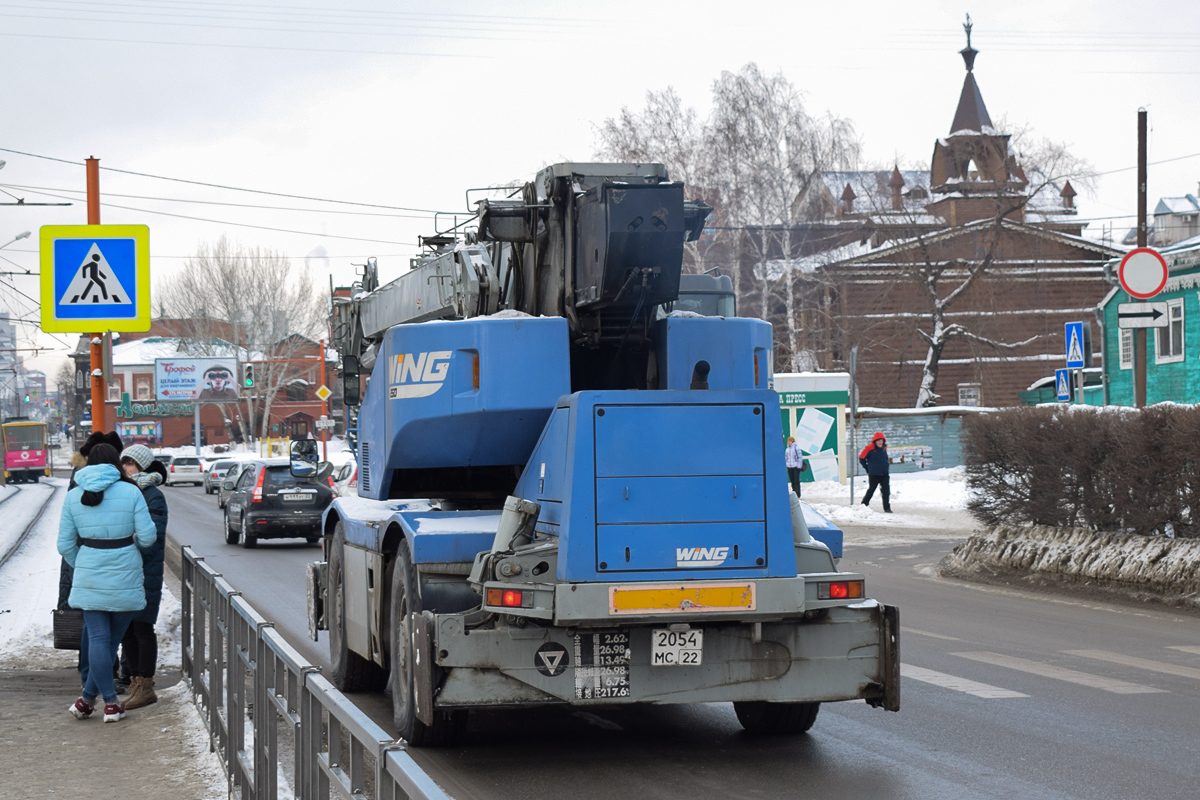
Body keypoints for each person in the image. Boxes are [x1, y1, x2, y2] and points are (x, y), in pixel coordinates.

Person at [58, 443, 156, 723]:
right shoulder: (131, 491)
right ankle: (110, 703)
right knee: (112, 641)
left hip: (89, 571)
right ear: (116, 463)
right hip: (126, 571)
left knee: (100, 639)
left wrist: (85, 562)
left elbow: (64, 544)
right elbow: (148, 538)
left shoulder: (73, 496)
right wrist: (128, 548)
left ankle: (90, 701)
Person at [117, 444, 169, 709]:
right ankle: (135, 683)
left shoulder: (153, 495)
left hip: (145, 571)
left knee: (142, 628)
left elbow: (153, 538)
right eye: (124, 463)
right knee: (127, 629)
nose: (126, 468)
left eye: (131, 464)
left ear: (142, 467)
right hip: (128, 570)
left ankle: (146, 685)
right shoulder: (127, 492)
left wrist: (126, 547)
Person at [859, 431, 892, 513]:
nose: (880, 442)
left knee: (886, 491)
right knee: (871, 490)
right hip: (874, 473)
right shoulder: (869, 448)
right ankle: (864, 504)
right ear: (875, 441)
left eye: (882, 441)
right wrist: (867, 468)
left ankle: (887, 508)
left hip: (884, 473)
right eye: (879, 441)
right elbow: (861, 458)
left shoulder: (884, 448)